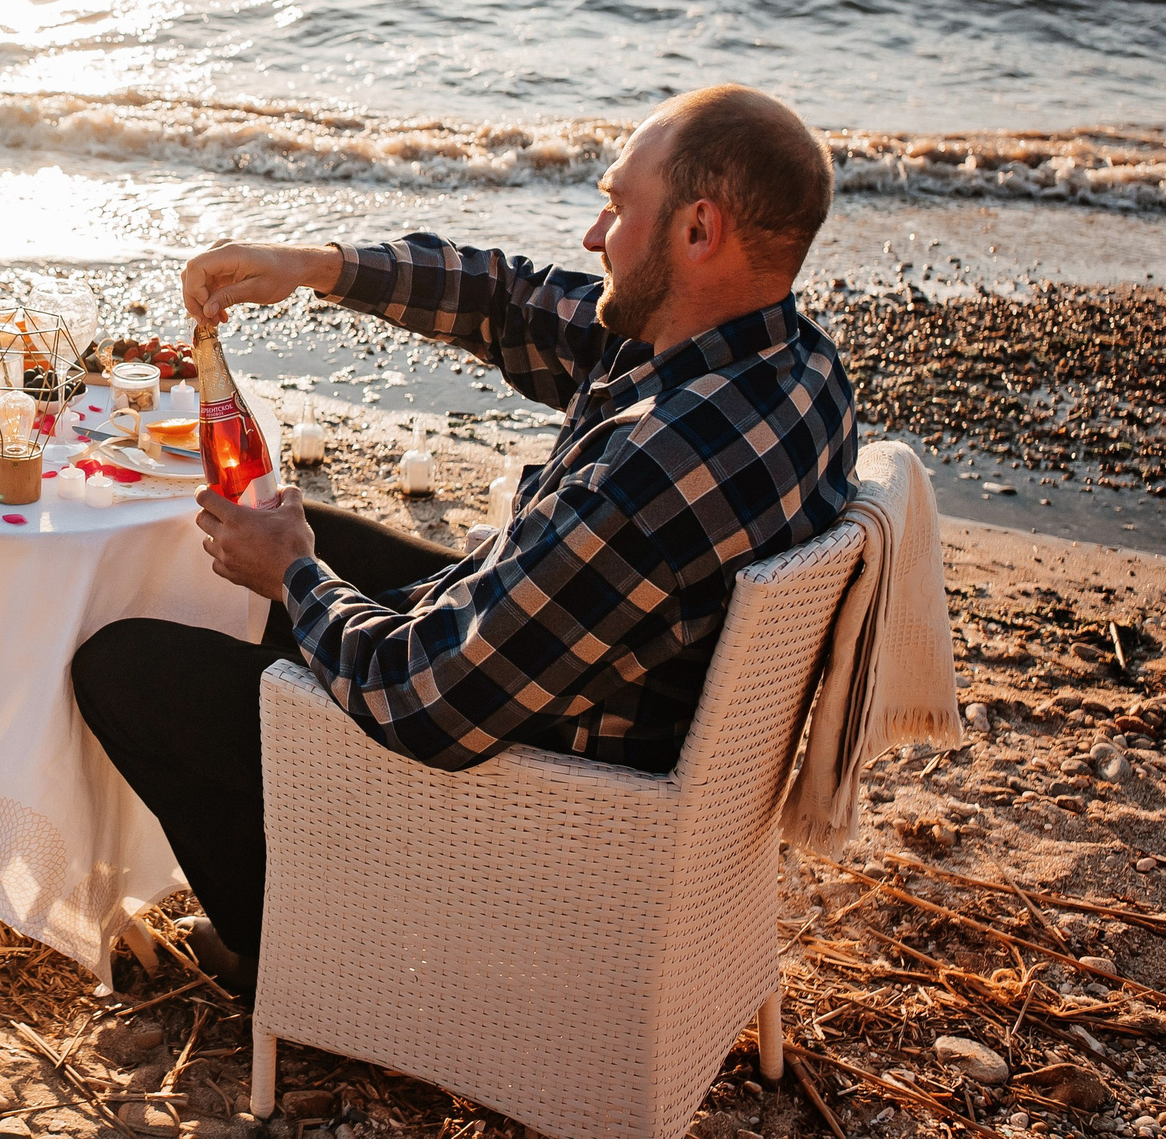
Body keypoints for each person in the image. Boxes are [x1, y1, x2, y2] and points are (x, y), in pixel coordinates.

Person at [72, 83, 857, 991]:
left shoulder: (655, 475)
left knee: (123, 668)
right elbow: (506, 301)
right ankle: (299, 855)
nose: (594, 236)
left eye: (616, 206)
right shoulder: (790, 365)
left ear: (698, 229)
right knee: (301, 538)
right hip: (585, 680)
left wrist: (296, 580)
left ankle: (287, 957)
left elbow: (427, 703)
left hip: (526, 799)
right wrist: (310, 266)